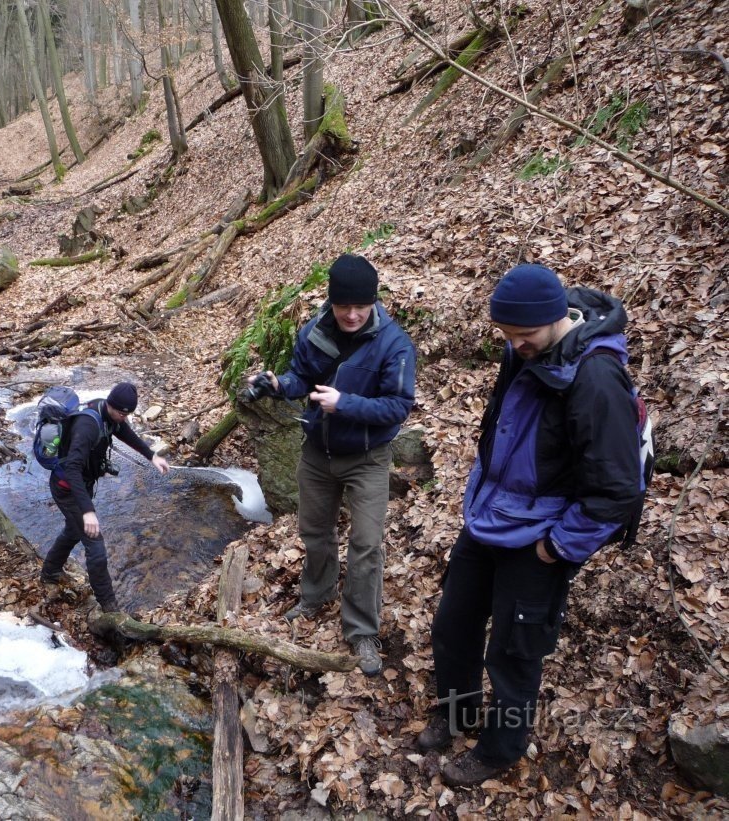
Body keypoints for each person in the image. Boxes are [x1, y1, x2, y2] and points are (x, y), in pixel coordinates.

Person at [417, 264, 644, 787]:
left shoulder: (596, 379)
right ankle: (458, 713)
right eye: (507, 334)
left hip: (540, 536)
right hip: (491, 518)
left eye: (526, 334)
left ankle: (501, 748)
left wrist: (557, 547)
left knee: (514, 652)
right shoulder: (523, 348)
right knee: (453, 626)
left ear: (557, 318)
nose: (515, 344)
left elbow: (616, 490)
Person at [247, 254, 416, 676]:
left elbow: (398, 407)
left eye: (362, 306)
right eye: (345, 306)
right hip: (317, 452)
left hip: (367, 458)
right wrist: (277, 386)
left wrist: (345, 404)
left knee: (366, 544)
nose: (353, 314)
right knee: (315, 531)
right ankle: (316, 594)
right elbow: (300, 376)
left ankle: (361, 631)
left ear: (374, 303)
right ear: (332, 301)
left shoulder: (394, 345)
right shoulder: (315, 330)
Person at [39, 382, 170, 613]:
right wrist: (88, 511)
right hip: (66, 487)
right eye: (121, 413)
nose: (124, 418)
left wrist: (152, 456)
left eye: (128, 414)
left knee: (72, 531)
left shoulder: (111, 415)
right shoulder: (87, 427)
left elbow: (125, 433)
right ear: (110, 404)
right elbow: (72, 469)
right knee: (95, 545)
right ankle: (110, 607)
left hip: (82, 485)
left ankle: (50, 572)